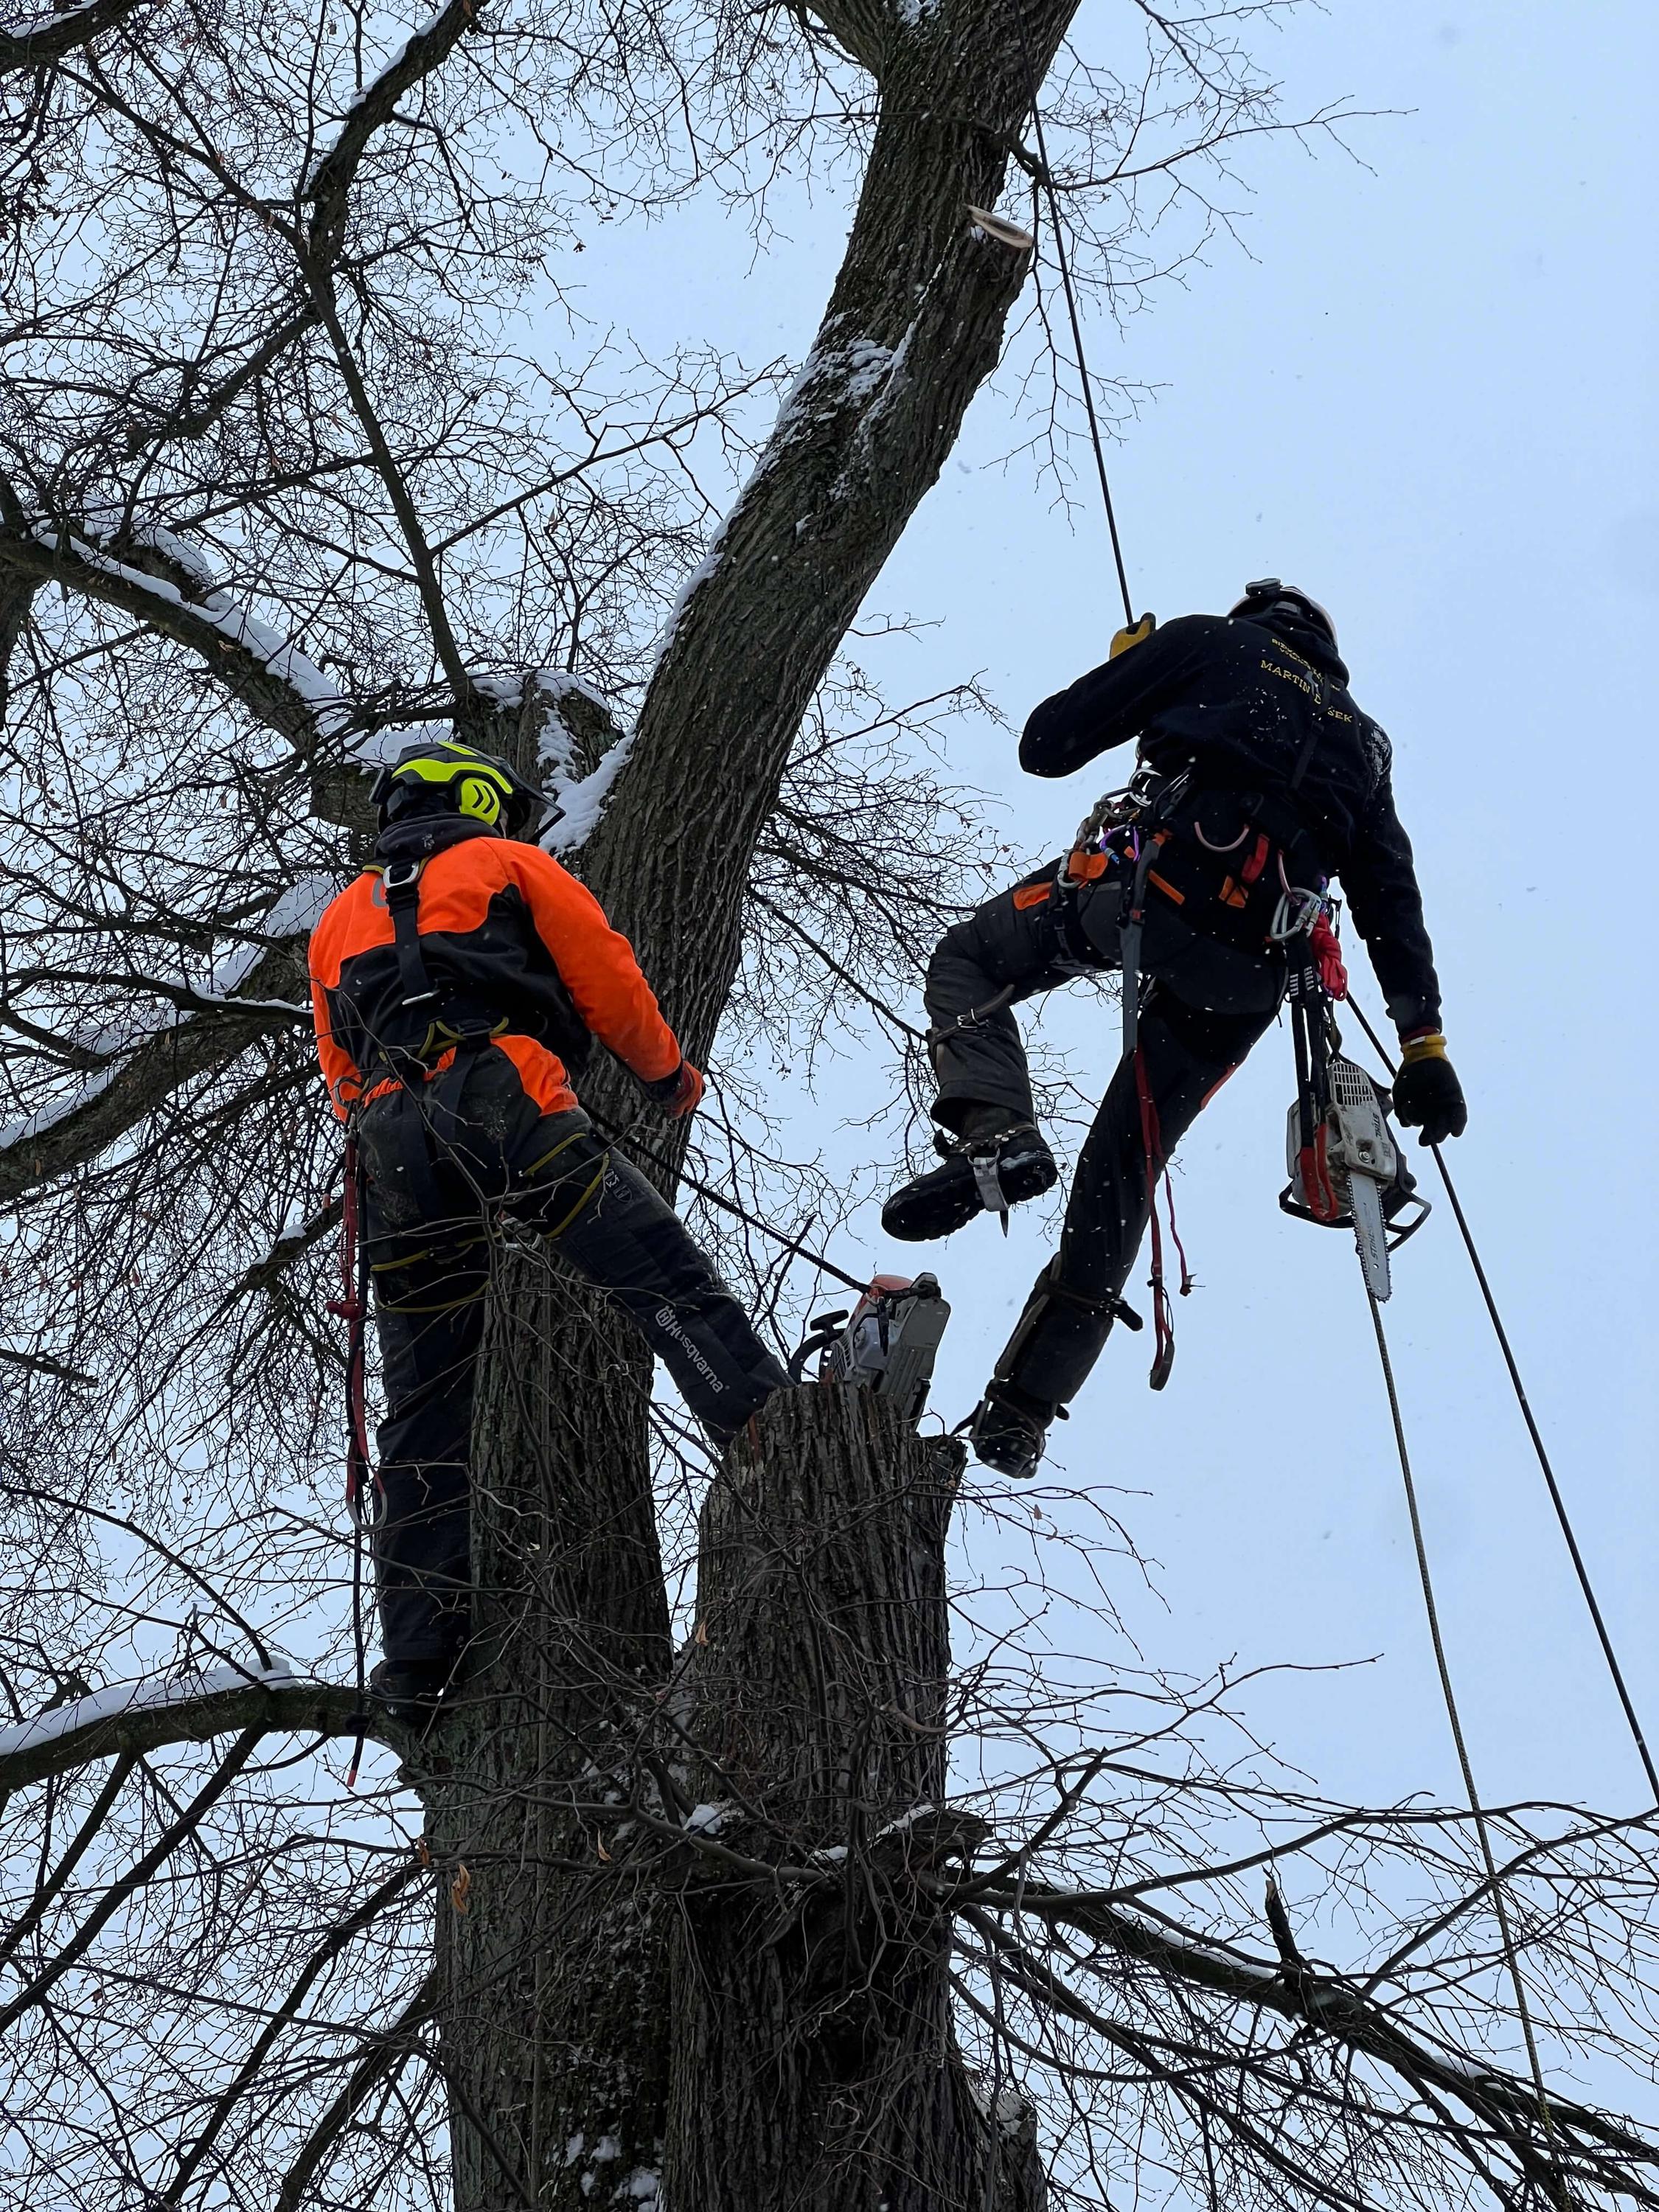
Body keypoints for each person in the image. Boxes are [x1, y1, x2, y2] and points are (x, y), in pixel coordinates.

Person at [882, 581, 1467, 1479]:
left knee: (970, 962)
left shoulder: (1210, 646)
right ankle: (1024, 1410)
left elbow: (1047, 745)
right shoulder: (1367, 743)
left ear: (1256, 623)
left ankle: (997, 1141)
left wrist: (1131, 674)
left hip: (1148, 895)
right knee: (1125, 1168)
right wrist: (1423, 1044)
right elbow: (1392, 900)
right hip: (1247, 978)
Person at [308, 735, 787, 1713]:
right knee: (659, 1277)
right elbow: (604, 971)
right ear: (472, 798)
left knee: (426, 1405)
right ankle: (770, 1431)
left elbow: (338, 1073)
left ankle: (417, 1658)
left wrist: (392, 1115)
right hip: (505, 1099)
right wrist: (666, 1077)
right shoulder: (509, 863)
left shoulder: (333, 921)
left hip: (391, 1148)